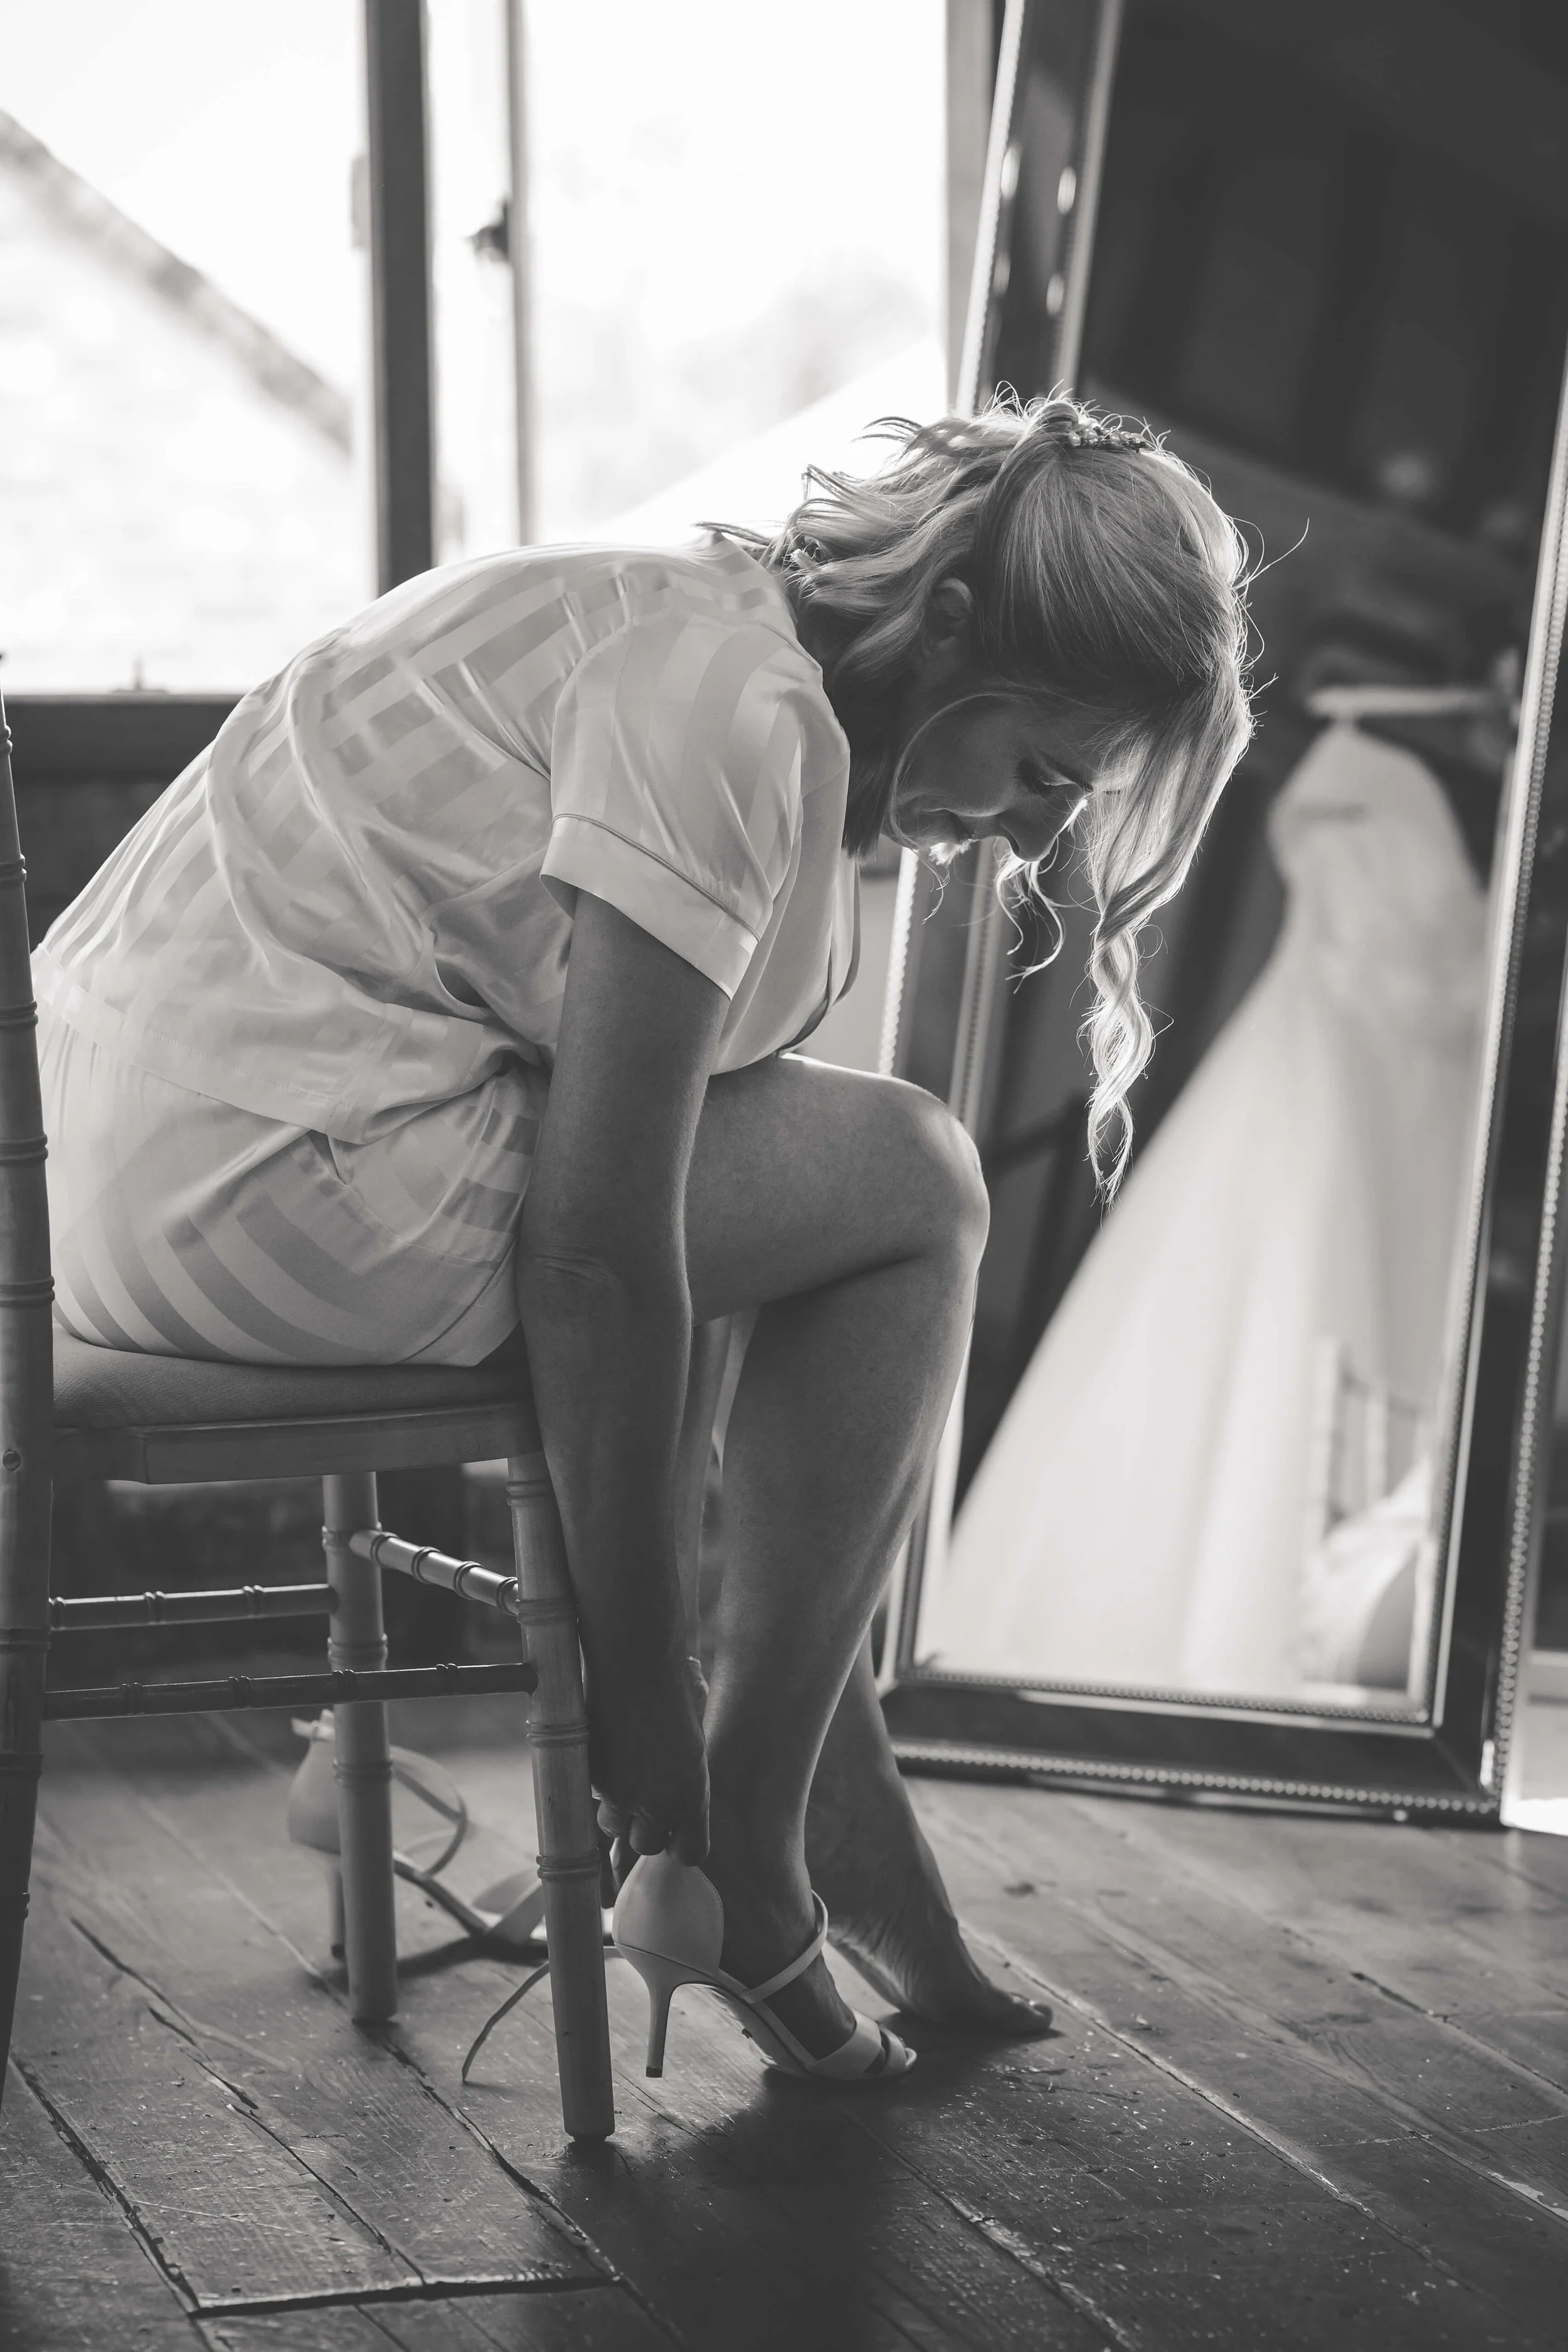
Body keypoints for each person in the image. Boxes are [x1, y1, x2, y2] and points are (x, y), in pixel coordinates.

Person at [34, 394, 1253, 2082]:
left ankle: (823, 1832)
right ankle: (749, 1844)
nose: (1043, 835)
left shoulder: (667, 614)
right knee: (914, 1177)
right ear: (949, 624)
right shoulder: (732, 713)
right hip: (276, 1197)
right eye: (1045, 771)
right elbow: (599, 1259)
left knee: (795, 1182)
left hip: (94, 1191)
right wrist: (639, 1687)